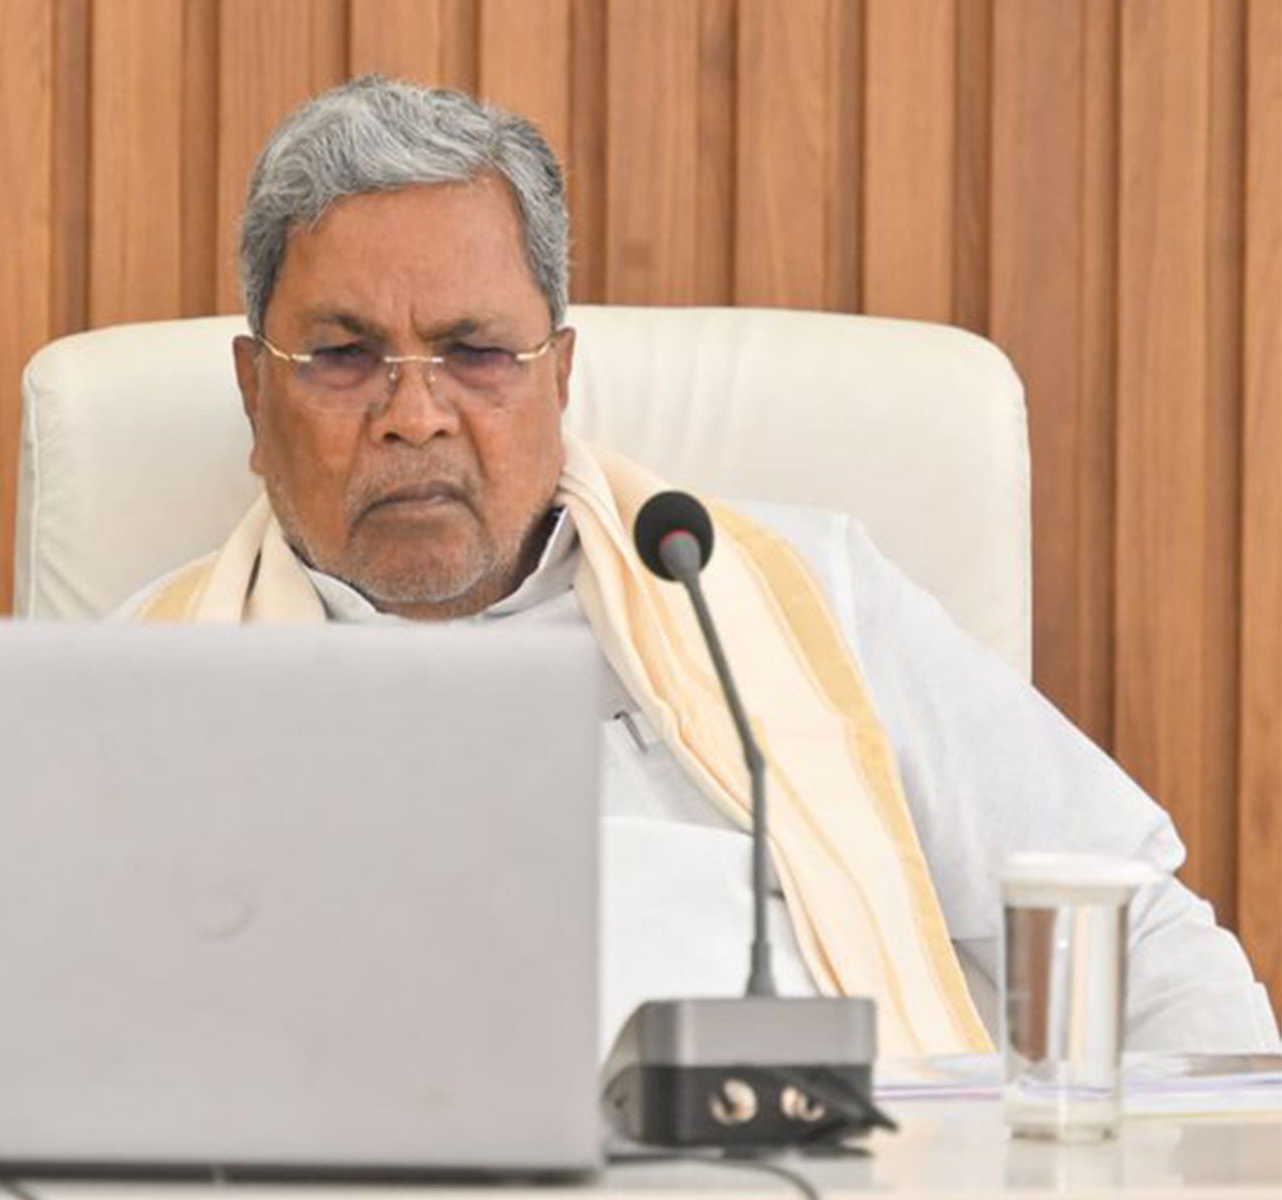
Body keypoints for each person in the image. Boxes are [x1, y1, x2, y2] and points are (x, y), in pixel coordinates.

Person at [129, 75, 1280, 1057]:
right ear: (254, 391)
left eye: (476, 352)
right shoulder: (130, 683)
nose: (414, 415)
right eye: (343, 356)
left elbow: (1127, 932)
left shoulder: (793, 601)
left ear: (559, 376)